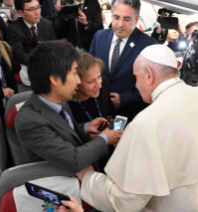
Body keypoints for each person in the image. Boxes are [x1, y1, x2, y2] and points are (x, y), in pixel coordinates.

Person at [77, 44, 198, 212]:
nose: (136, 85)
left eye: (136, 77)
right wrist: (135, 144)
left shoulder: (144, 123)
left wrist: (88, 176)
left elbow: (124, 202)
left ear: (148, 75)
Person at [15, 40, 122, 173]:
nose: (78, 81)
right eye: (75, 74)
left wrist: (86, 128)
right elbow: (73, 160)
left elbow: (63, 133)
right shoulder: (29, 122)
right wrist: (105, 138)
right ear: (55, 79)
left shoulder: (60, 101)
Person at [90, 0, 157, 122]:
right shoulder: (99, 36)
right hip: (98, 109)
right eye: (116, 17)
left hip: (129, 113)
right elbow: (89, 71)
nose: (120, 24)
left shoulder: (149, 46)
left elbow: (152, 84)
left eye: (127, 19)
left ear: (136, 20)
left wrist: (126, 99)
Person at [68, 51, 116, 124]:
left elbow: (111, 112)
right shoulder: (67, 105)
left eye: (99, 77)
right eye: (90, 82)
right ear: (76, 82)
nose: (99, 86)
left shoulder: (104, 83)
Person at [7, 0, 56, 65]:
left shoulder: (47, 24)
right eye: (31, 9)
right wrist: (40, 63)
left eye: (38, 7)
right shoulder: (13, 29)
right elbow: (19, 55)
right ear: (21, 13)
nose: (37, 12)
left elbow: (54, 47)